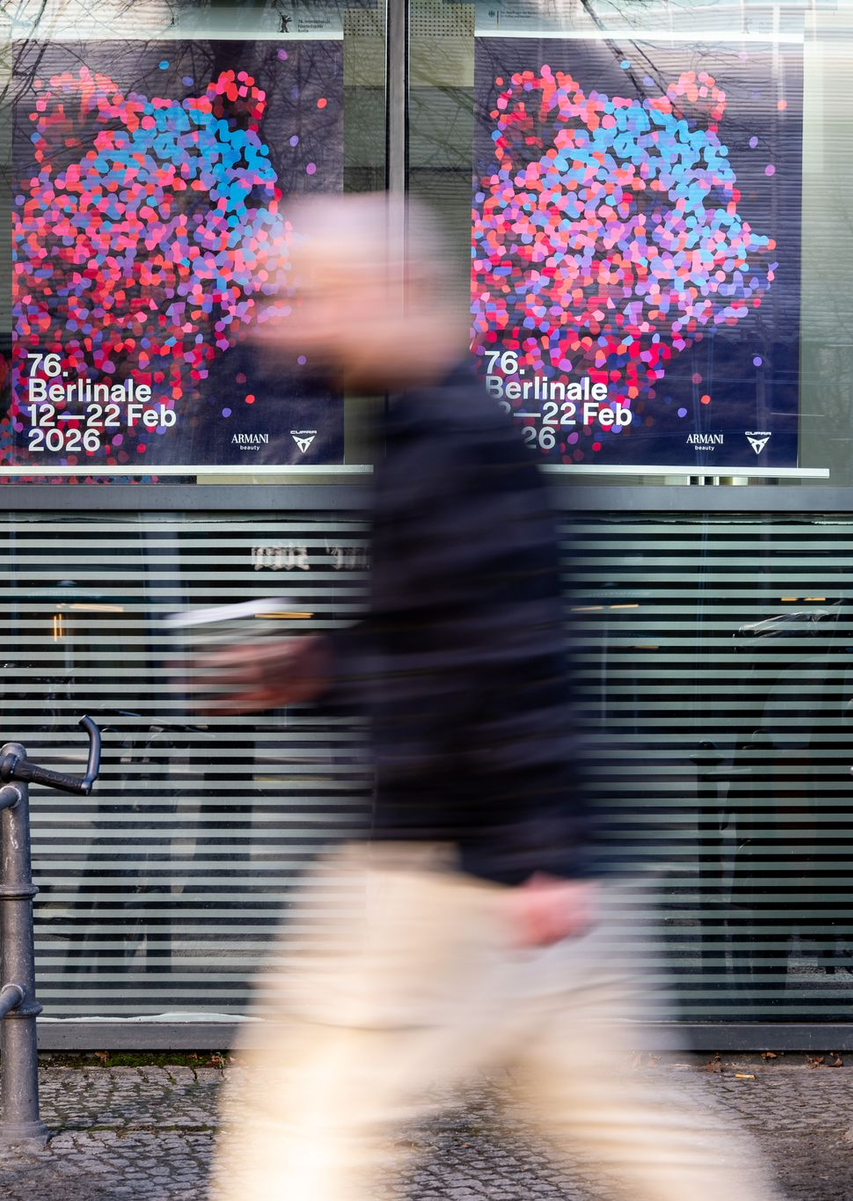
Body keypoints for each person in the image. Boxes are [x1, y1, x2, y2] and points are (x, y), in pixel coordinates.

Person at [207, 194, 778, 1201]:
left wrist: (538, 849)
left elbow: (511, 649)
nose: (284, 322)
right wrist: (318, 667)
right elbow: (444, 640)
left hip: (455, 866)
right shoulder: (433, 431)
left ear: (384, 296)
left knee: (310, 1114)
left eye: (310, 297)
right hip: (514, 864)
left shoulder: (448, 444)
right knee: (622, 1115)